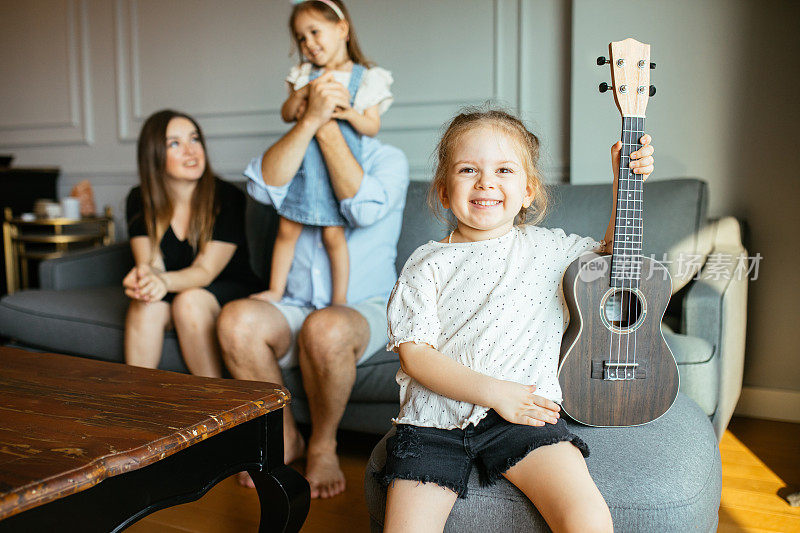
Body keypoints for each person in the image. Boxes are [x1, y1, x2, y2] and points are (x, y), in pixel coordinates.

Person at [379, 108, 654, 532]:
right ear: (443, 190)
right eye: (468, 169)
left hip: (524, 417)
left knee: (586, 515)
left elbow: (615, 259)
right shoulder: (426, 264)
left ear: (528, 191)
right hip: (433, 421)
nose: (486, 182)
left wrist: (626, 183)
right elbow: (415, 357)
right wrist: (496, 392)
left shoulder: (551, 250)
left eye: (503, 170)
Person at [217, 39, 408, 497]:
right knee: (235, 319)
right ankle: (285, 434)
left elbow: (357, 210)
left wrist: (326, 126)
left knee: (326, 328)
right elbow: (262, 188)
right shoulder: (297, 154)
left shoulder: (389, 160)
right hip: (296, 304)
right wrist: (308, 121)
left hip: (361, 308)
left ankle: (323, 443)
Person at [253, 0, 394, 306]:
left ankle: (339, 300)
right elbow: (288, 113)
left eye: (315, 32)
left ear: (342, 29)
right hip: (304, 167)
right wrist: (303, 93)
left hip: (336, 172)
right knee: (287, 229)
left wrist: (348, 113)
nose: (309, 43)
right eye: (301, 37)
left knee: (333, 237)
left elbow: (372, 126)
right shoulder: (303, 74)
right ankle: (276, 290)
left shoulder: (367, 78)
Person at [124, 110, 261, 377]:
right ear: (154, 155)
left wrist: (161, 282)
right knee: (144, 304)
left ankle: (214, 408)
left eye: (194, 139)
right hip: (175, 286)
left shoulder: (227, 196)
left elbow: (206, 272)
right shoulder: (139, 198)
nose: (190, 151)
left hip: (225, 288)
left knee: (189, 302)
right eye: (174, 143)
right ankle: (134, 407)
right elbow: (150, 264)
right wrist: (143, 278)